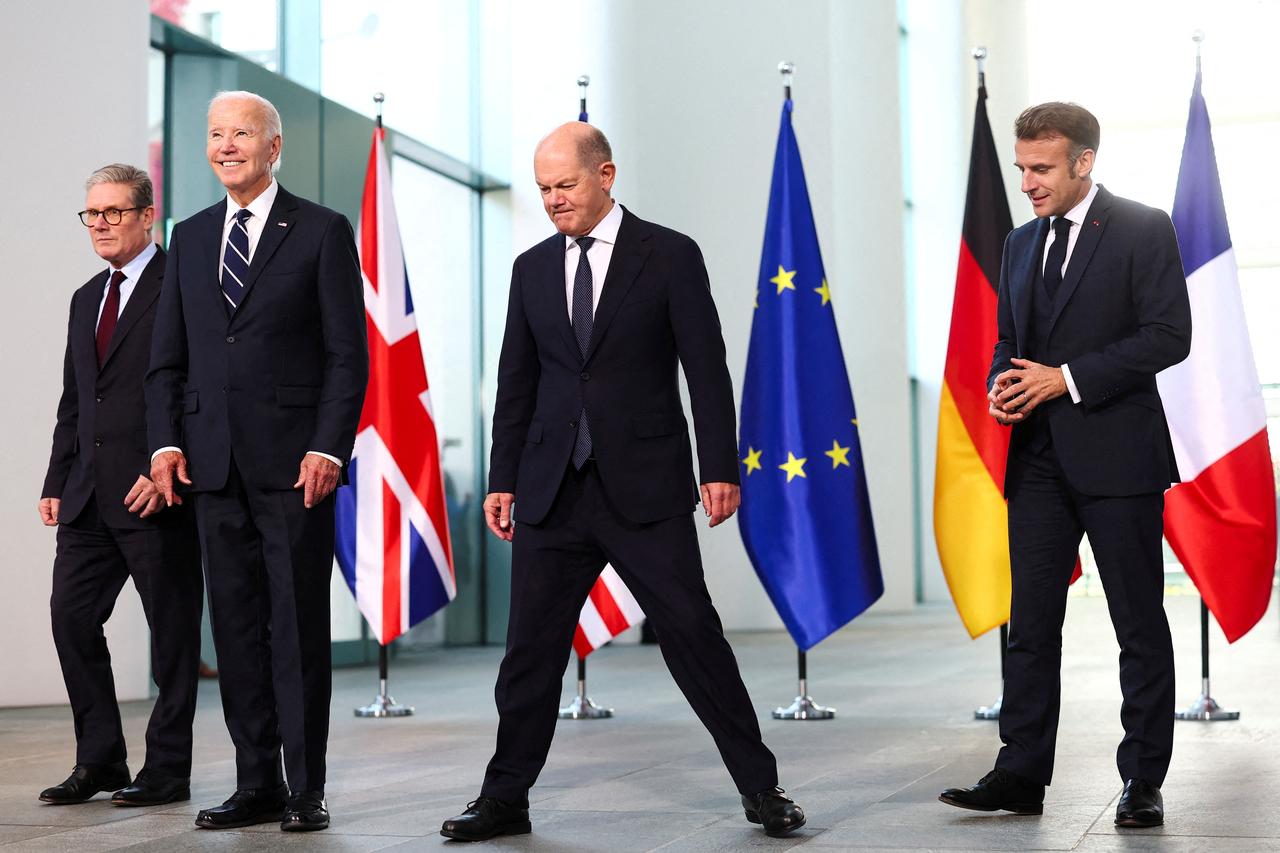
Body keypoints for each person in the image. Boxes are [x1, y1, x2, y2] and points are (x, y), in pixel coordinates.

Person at [440, 122, 805, 842]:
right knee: (530, 653)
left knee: (693, 635)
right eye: (543, 189)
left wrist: (719, 467)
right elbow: (515, 383)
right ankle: (504, 797)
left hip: (645, 488)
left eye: (565, 185)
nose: (552, 200)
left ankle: (762, 788)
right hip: (551, 490)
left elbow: (706, 369)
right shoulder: (531, 269)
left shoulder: (667, 255)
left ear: (606, 175)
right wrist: (503, 476)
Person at [938, 102, 1191, 828]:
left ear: (1084, 161)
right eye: (1020, 168)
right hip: (1039, 462)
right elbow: (1010, 340)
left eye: (1041, 168)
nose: (1027, 182)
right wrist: (1004, 386)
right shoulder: (1019, 244)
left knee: (1136, 620)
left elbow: (1170, 334)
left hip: (1120, 459)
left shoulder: (1144, 228)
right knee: (1031, 622)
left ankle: (1142, 776)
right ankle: (1020, 771)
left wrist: (1067, 377)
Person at [145, 90, 368, 832]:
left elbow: (347, 355)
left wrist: (328, 444)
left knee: (297, 627)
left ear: (273, 147)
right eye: (215, 134)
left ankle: (305, 787)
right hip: (211, 467)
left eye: (241, 133)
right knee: (236, 628)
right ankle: (256, 781)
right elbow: (165, 362)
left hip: (295, 468)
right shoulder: (191, 236)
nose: (226, 145)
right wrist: (167, 441)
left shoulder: (322, 231)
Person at [38, 164, 202, 807]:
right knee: (71, 619)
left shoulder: (182, 285)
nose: (100, 224)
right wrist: (57, 477)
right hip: (86, 495)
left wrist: (165, 464)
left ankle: (167, 769)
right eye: (91, 214)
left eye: (113, 212)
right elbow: (75, 399)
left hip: (156, 490)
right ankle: (100, 759)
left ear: (145, 216)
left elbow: (192, 390)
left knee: (174, 635)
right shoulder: (86, 297)